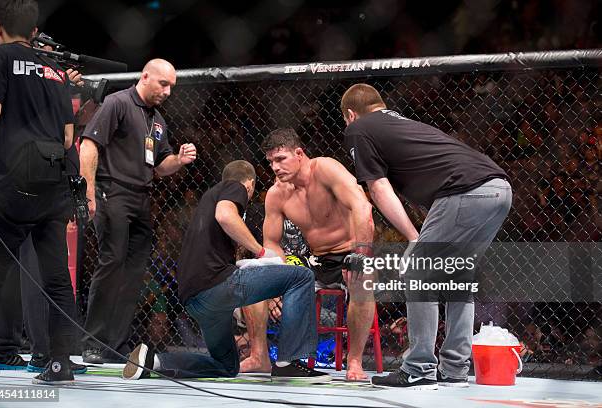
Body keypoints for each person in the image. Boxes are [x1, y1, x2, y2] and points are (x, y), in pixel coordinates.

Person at [341, 83, 512, 389]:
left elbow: (379, 188)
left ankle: (419, 367)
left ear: (351, 114)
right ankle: (455, 368)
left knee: (417, 271)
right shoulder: (401, 125)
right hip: (499, 188)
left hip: (464, 191)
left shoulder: (360, 128)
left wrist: (412, 236)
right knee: (457, 275)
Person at [123, 160, 331, 383]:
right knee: (301, 277)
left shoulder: (207, 201)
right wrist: (261, 253)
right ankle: (289, 362)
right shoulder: (235, 187)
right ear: (250, 184)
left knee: (225, 366)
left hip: (196, 300)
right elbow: (225, 215)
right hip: (217, 284)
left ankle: (153, 362)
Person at [79, 59, 197, 363]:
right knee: (112, 262)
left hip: (142, 198)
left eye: (172, 86)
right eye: (163, 84)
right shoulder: (117, 103)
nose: (168, 91)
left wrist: (180, 160)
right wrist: (88, 189)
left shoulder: (157, 120)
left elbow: (161, 166)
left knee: (133, 273)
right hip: (113, 191)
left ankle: (114, 344)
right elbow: (89, 144)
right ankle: (93, 341)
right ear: (145, 77)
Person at [240, 128, 375, 381]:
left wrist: (361, 253)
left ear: (299, 153)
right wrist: (275, 287)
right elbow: (271, 245)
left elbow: (362, 205)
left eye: (280, 159)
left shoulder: (325, 169)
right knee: (254, 277)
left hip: (349, 251)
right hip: (314, 259)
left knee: (363, 278)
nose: (275, 167)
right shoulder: (276, 195)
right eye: (270, 162)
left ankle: (354, 360)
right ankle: (260, 356)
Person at [0, 0, 78, 384]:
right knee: (57, 278)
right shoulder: (56, 71)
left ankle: (0, 349)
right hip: (51, 186)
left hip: (8, 184)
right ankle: (60, 362)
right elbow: (68, 135)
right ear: (34, 29)